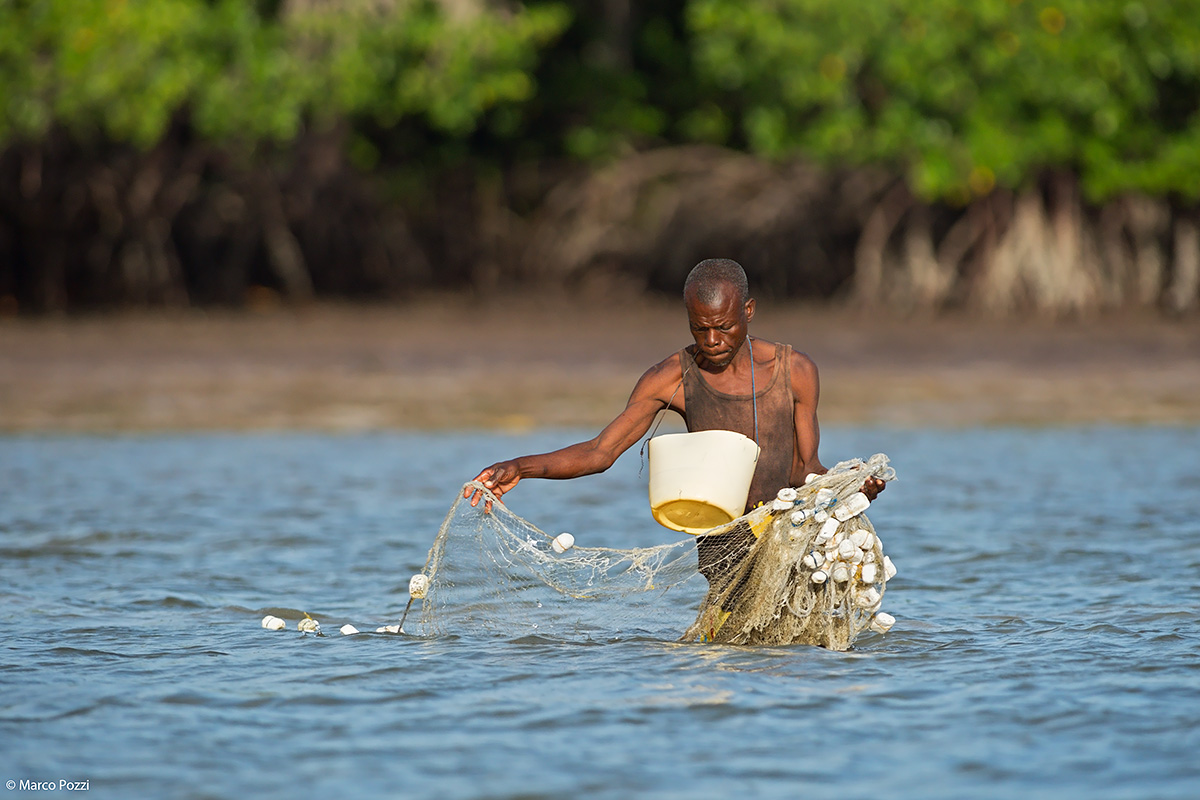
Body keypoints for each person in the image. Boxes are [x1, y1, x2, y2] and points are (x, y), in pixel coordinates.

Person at [466, 258, 884, 581]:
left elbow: (805, 470)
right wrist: (520, 467)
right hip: (723, 546)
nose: (712, 341)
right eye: (699, 329)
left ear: (749, 311)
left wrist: (851, 487)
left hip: (790, 537)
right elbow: (599, 452)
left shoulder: (795, 370)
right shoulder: (671, 377)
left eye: (724, 327)